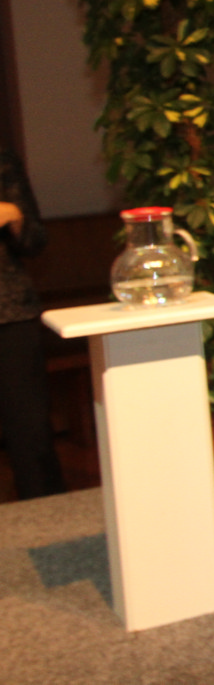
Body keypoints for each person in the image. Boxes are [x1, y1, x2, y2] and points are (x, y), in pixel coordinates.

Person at [0, 145, 65, 500]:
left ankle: (48, 518)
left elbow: (36, 240)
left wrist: (15, 217)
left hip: (9, 310)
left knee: (31, 432)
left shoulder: (2, 159)